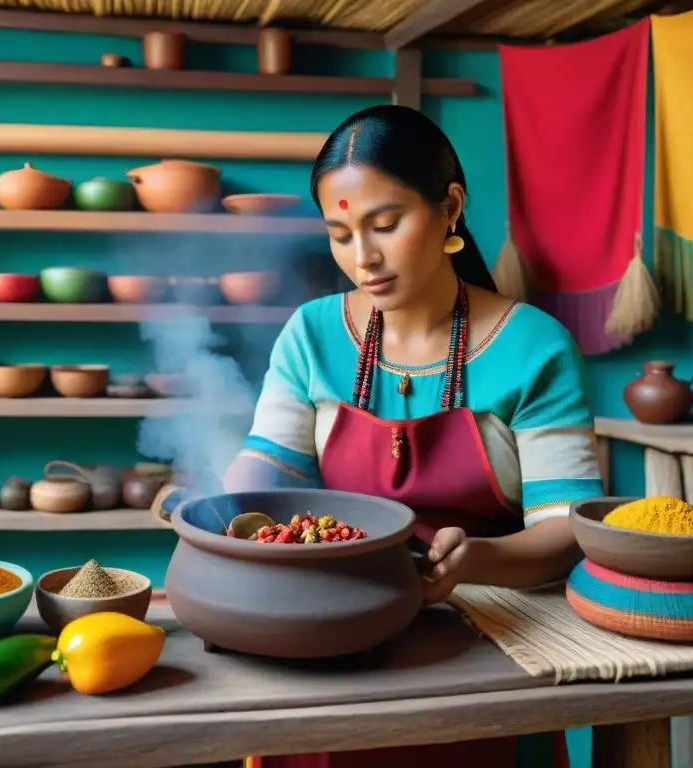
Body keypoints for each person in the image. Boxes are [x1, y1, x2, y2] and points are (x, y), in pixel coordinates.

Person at [154, 104, 604, 768]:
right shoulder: (312, 333)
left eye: (384, 225)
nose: (362, 258)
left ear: (450, 207)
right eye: (339, 234)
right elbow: (268, 463)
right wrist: (225, 511)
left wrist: (471, 560)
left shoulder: (533, 347)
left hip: (488, 638)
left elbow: (565, 528)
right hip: (326, 633)